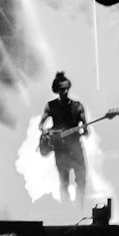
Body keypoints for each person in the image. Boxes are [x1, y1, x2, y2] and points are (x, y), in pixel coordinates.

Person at [39, 70, 89, 207]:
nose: (65, 91)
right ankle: (67, 211)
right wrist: (49, 133)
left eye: (67, 88)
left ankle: (79, 208)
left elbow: (86, 131)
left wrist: (83, 130)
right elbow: (41, 125)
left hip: (76, 148)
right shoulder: (51, 106)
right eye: (62, 89)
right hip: (61, 150)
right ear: (57, 90)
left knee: (81, 180)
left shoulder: (77, 106)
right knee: (64, 182)